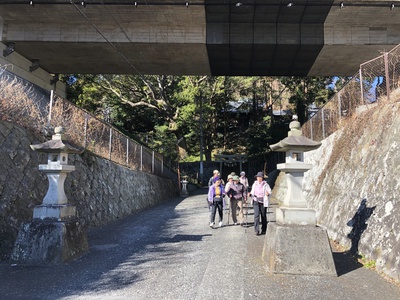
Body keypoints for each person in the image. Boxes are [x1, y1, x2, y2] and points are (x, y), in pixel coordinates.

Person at [249, 171, 272, 235]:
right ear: (256, 178)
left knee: (263, 216)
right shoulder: (254, 184)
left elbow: (270, 192)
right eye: (258, 177)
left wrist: (268, 193)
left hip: (263, 201)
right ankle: (256, 230)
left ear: (262, 178)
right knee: (256, 216)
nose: (259, 178)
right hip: (256, 201)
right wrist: (250, 194)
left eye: (261, 177)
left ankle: (264, 229)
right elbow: (252, 192)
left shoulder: (266, 184)